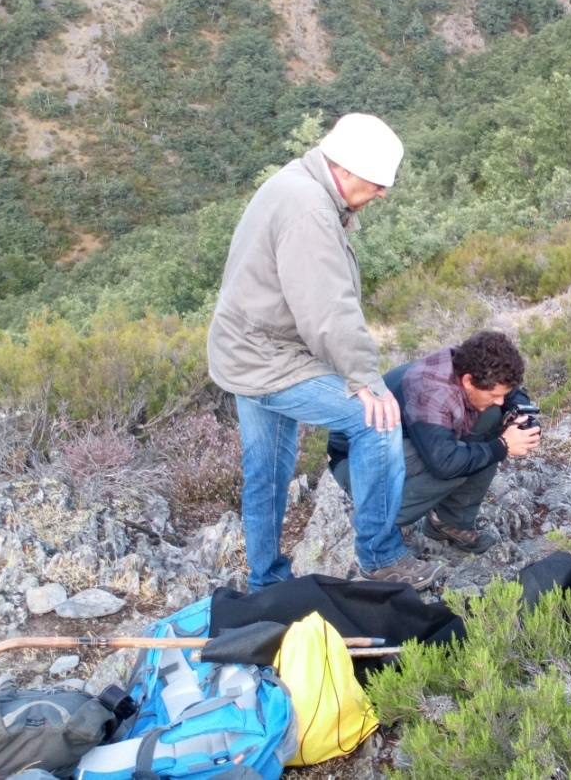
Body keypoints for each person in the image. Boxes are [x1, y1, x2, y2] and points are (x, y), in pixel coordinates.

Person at [207, 113, 443, 592]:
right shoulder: (310, 210)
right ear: (346, 169)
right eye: (377, 183)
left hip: (245, 349)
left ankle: (266, 582)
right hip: (269, 357)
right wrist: (365, 380)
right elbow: (328, 310)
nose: (383, 194)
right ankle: (380, 556)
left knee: (266, 472)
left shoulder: (296, 183)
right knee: (377, 420)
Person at [329, 331, 542, 552]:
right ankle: (376, 518)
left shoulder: (469, 364)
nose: (500, 400)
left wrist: (521, 412)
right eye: (495, 395)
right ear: (468, 381)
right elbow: (445, 464)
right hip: (356, 458)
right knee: (460, 460)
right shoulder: (431, 393)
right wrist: (503, 445)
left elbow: (510, 392)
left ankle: (449, 523)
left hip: (403, 436)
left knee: (492, 417)